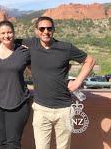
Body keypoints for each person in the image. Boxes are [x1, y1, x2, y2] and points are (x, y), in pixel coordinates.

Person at [22, 16, 95, 149]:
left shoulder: (65, 48)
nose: (46, 31)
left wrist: (78, 82)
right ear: (36, 31)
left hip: (64, 109)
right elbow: (4, 39)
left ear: (54, 30)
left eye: (49, 28)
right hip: (41, 109)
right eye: (42, 28)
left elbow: (90, 60)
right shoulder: (31, 44)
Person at [0, 21, 31, 149]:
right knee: (2, 143)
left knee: (13, 143)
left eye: (9, 32)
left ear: (14, 33)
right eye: (3, 33)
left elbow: (38, 68)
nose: (7, 35)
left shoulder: (23, 51)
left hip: (18, 102)